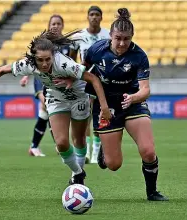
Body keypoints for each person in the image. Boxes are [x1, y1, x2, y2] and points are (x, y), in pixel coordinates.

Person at [0, 30, 111, 185]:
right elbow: (1, 70)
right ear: (34, 59)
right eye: (40, 60)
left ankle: (78, 178)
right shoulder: (28, 65)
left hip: (78, 96)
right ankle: (78, 173)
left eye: (48, 59)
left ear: (54, 55)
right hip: (56, 98)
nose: (45, 63)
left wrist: (104, 107)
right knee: (61, 143)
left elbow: (93, 79)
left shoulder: (64, 64)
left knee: (79, 139)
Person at [84, 8, 168, 200]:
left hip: (132, 102)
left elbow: (146, 89)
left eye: (127, 39)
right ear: (110, 36)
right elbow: (83, 71)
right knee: (113, 165)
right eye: (118, 38)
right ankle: (105, 152)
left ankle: (152, 192)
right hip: (106, 105)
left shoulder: (139, 56)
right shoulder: (96, 50)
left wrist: (134, 98)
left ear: (132, 37)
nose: (122, 43)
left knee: (148, 151)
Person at [20, 15, 70, 157]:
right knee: (49, 107)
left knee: (45, 113)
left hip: (57, 82)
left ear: (63, 25)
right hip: (41, 81)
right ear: (49, 25)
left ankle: (35, 146)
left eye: (58, 23)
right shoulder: (43, 43)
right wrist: (25, 76)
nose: (56, 26)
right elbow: (31, 59)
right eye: (53, 23)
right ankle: (58, 145)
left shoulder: (67, 44)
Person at [69, 6, 110, 164]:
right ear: (88, 17)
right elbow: (72, 57)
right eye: (91, 14)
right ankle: (85, 151)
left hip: (103, 80)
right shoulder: (79, 36)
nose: (94, 17)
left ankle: (96, 152)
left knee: (99, 114)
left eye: (97, 15)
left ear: (101, 17)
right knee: (85, 114)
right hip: (84, 79)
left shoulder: (107, 35)